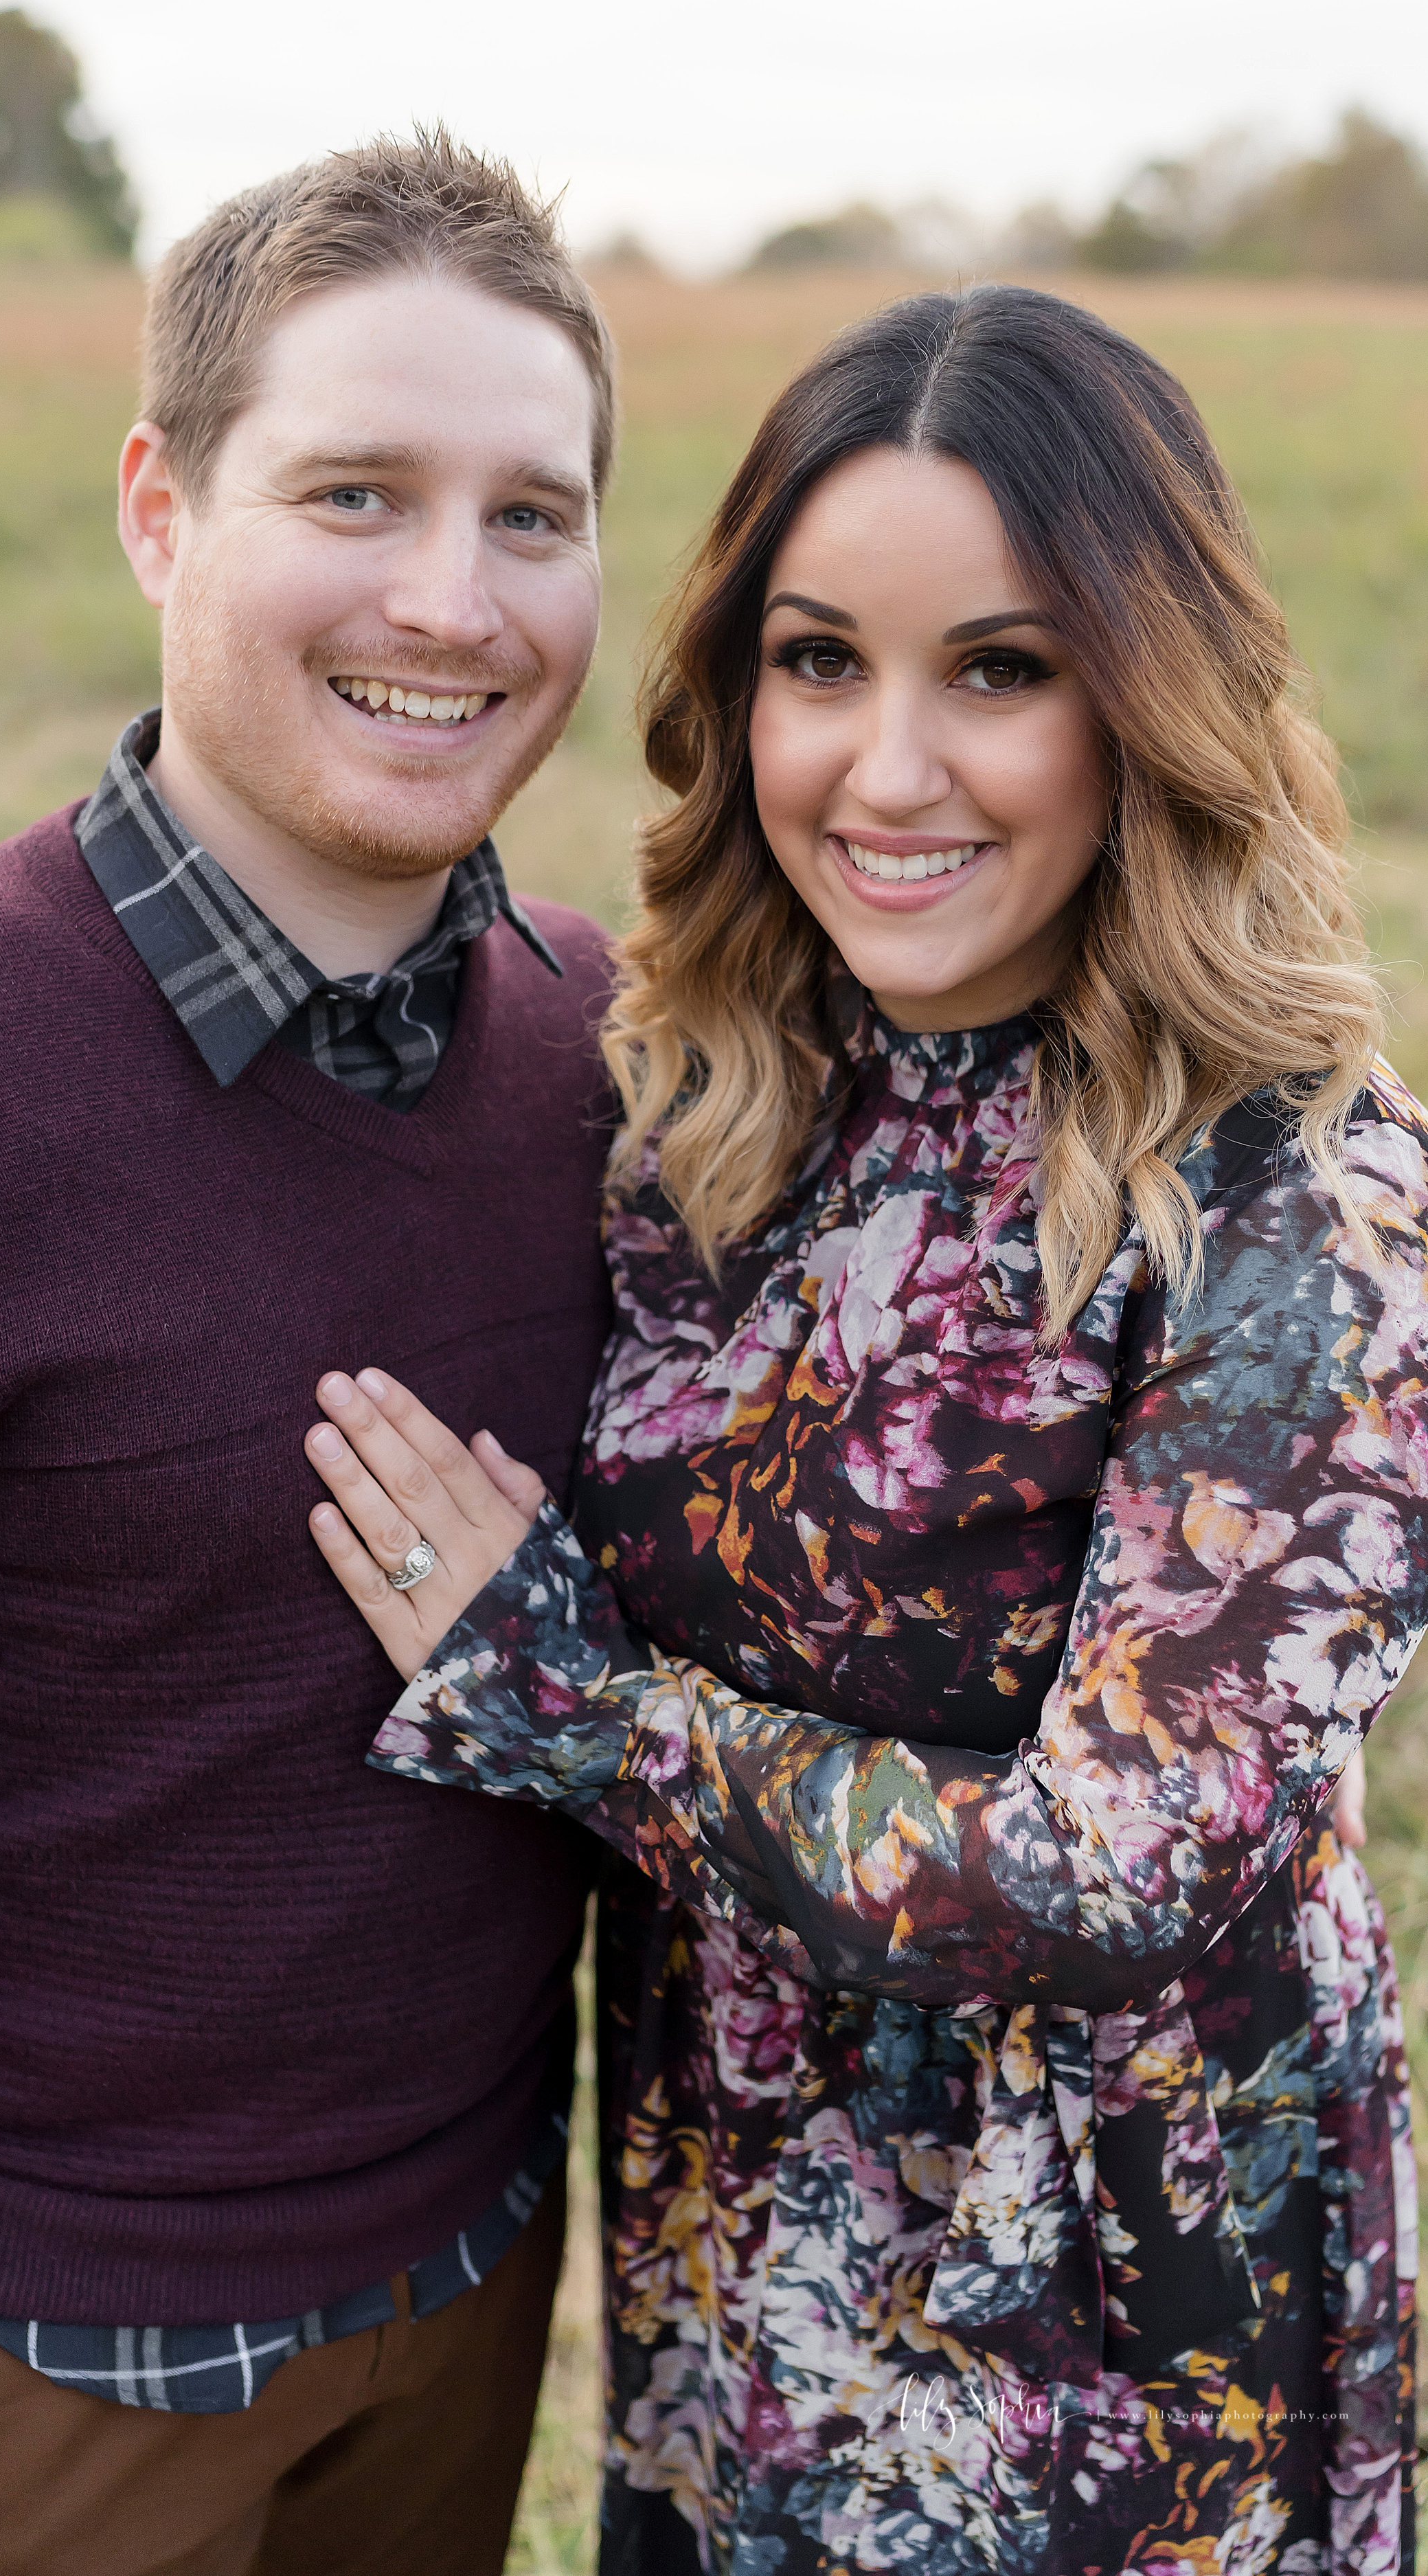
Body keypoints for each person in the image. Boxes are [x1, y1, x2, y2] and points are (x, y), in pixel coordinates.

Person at [304, 284, 1428, 2573]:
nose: (884, 768)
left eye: (995, 671)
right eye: (819, 662)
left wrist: (563, 1706)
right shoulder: (724, 1100)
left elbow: (1112, 1871)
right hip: (744, 2247)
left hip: (1107, 2332)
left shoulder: (1298, 1194)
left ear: (1149, 696)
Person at [0, 132, 617, 2576]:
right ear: (158, 506)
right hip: (42, 2383)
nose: (454, 598)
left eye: (531, 515)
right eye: (356, 490)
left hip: (471, 2281)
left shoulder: (614, 1068)